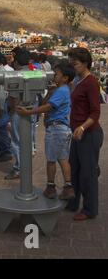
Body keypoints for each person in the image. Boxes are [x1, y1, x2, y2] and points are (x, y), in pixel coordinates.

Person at [17, 61, 76, 200]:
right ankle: (68, 187)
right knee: (63, 159)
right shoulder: (60, 90)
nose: (53, 76)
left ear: (65, 77)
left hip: (56, 129)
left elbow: (48, 107)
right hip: (61, 128)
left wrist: (28, 112)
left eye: (56, 74)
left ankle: (51, 187)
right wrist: (50, 91)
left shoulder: (62, 91)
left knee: (51, 160)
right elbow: (46, 102)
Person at [67, 48, 104, 221]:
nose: (73, 67)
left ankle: (90, 209)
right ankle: (73, 201)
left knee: (87, 173)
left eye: (75, 64)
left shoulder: (91, 82)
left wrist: (82, 127)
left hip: (88, 133)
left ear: (85, 63)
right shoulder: (78, 80)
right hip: (77, 133)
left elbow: (95, 112)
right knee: (74, 168)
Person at [6, 48, 33, 180]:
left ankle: (18, 168)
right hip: (31, 110)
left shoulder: (16, 76)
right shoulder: (34, 73)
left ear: (16, 62)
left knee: (16, 141)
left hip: (18, 111)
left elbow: (13, 98)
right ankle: (26, 167)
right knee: (27, 141)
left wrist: (11, 109)